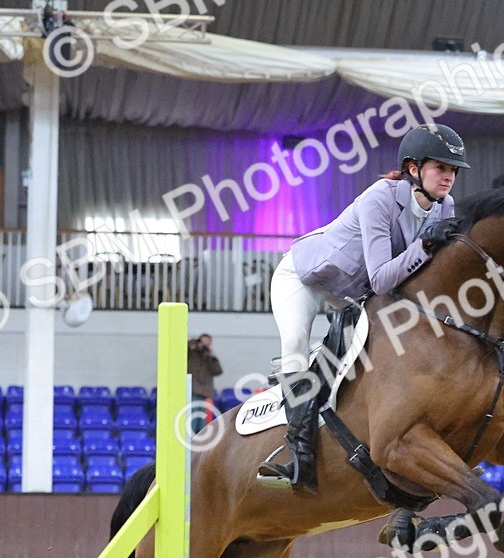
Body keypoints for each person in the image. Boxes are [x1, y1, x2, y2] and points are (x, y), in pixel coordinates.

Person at [257, 123, 470, 493]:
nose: (449, 177)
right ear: (413, 169)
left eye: (453, 170)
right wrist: (424, 248)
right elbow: (383, 279)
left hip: (352, 293)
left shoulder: (444, 206)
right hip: (306, 279)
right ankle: (297, 455)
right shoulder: (380, 198)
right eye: (441, 168)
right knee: (294, 346)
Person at [187, 333, 222, 435]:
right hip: (193, 389)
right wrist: (196, 344)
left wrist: (212, 357)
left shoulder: (208, 358)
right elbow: (186, 348)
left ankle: (198, 438)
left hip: (204, 392)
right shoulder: (191, 354)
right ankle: (191, 438)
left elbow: (218, 371)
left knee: (201, 419)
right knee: (193, 417)